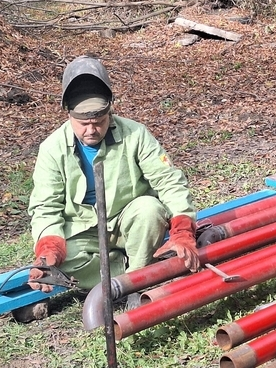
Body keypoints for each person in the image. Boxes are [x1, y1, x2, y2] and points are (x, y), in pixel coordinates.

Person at [26, 55, 200, 296]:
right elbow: (46, 206)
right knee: (61, 265)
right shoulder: (52, 148)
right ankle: (131, 268)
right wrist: (49, 249)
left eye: (98, 122)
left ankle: (137, 280)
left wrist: (182, 231)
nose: (91, 130)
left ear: (110, 111)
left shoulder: (136, 134)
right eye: (83, 124)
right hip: (83, 230)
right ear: (68, 115)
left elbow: (169, 181)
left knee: (149, 209)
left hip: (127, 222)